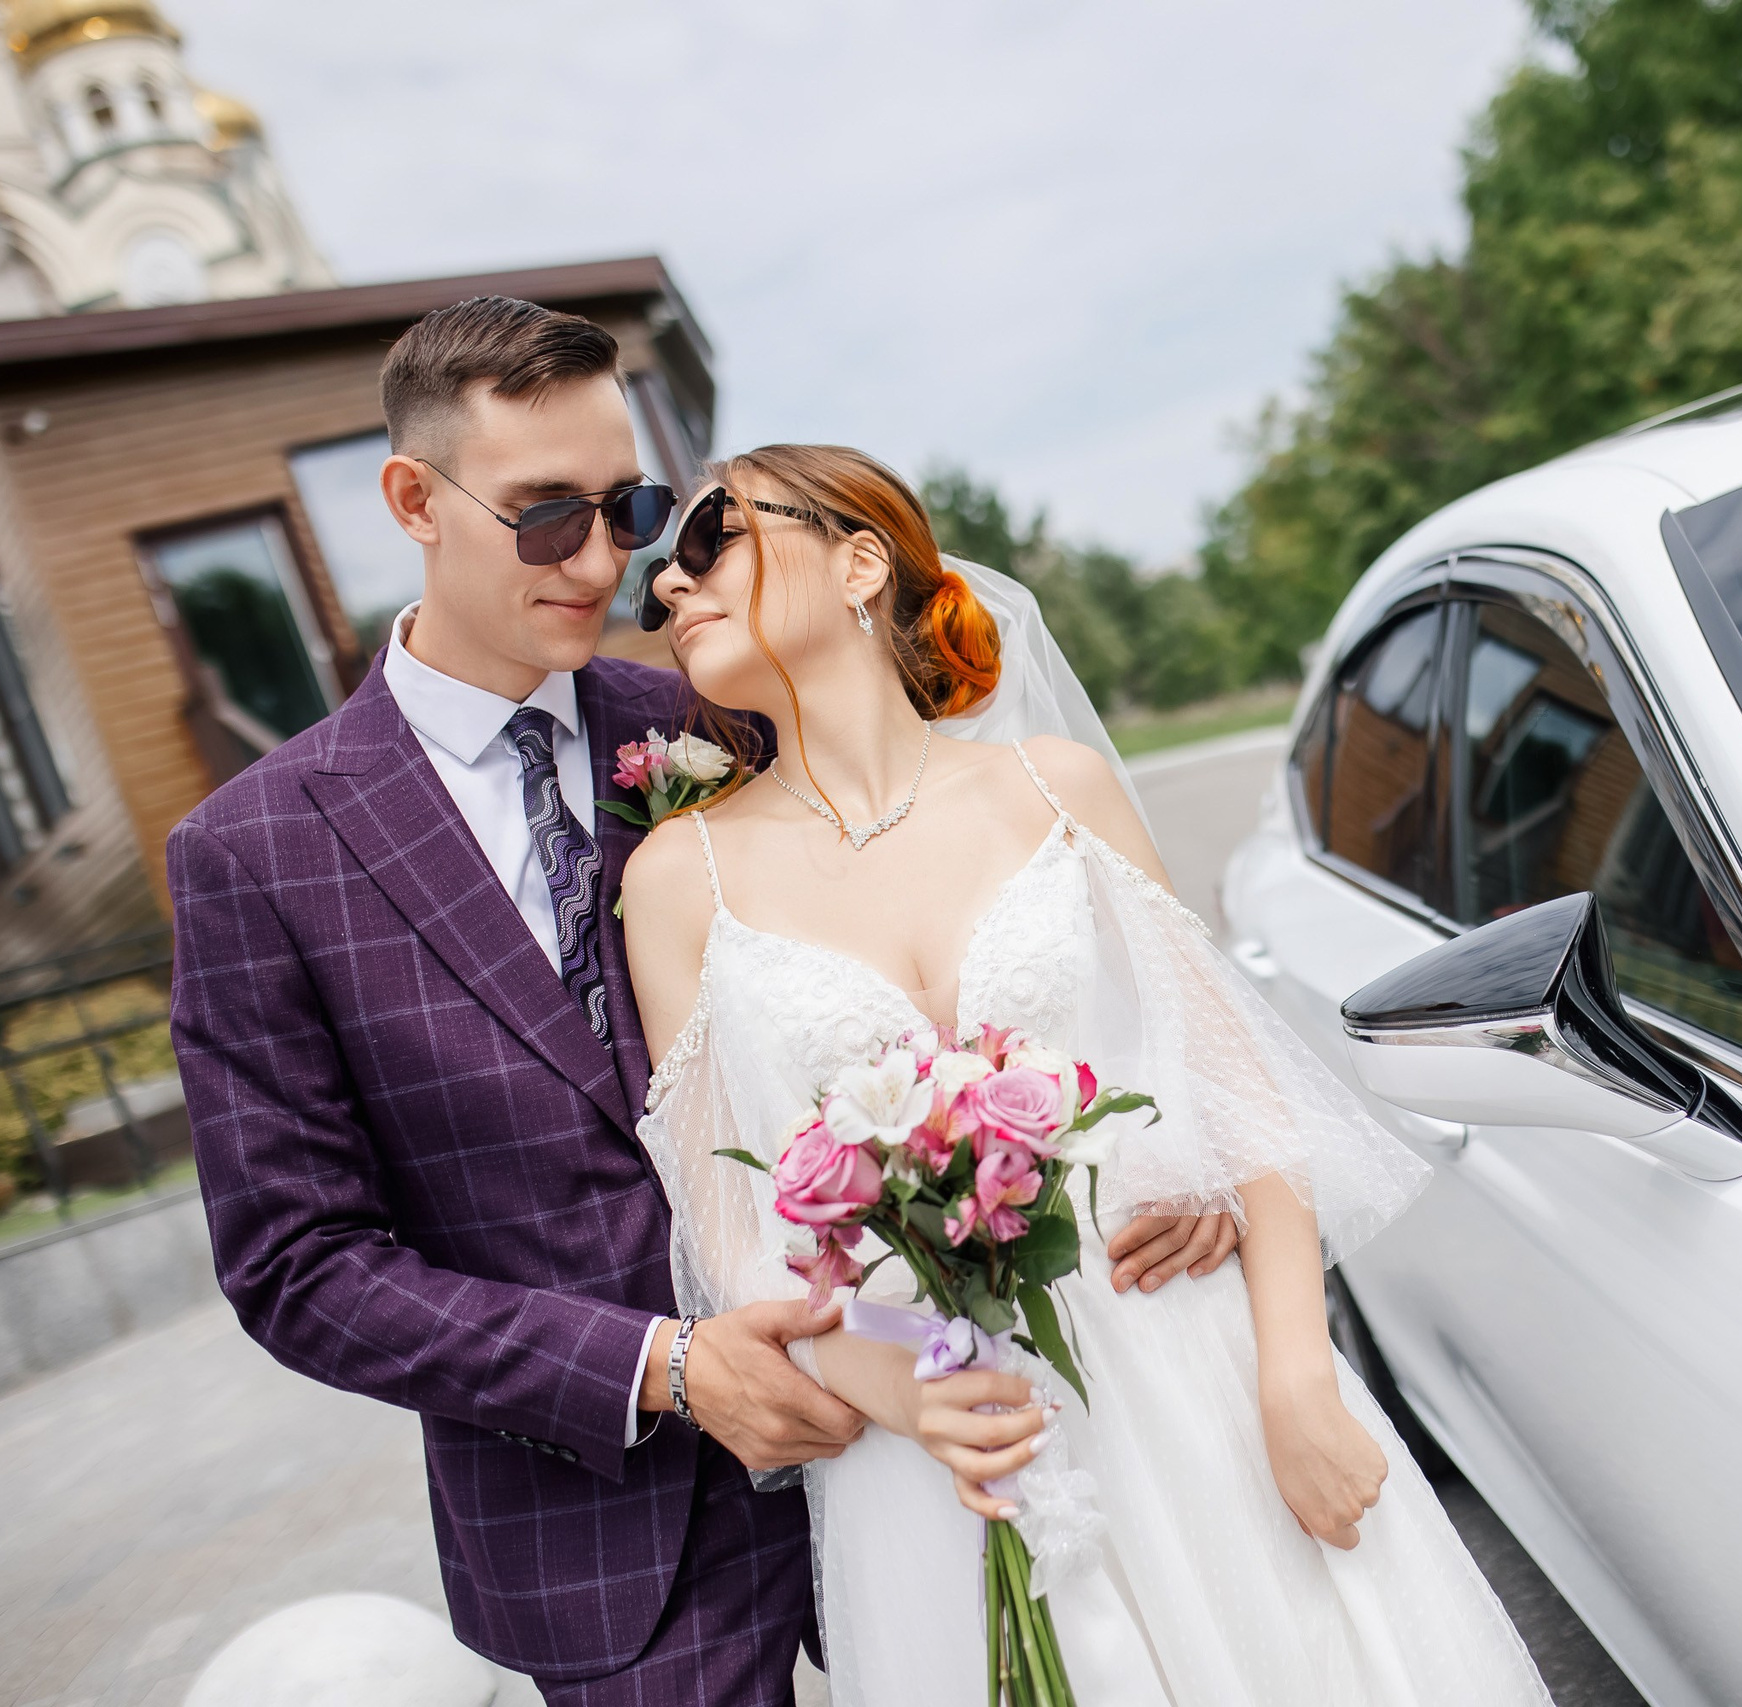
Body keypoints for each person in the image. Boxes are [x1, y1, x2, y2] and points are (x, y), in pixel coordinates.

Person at [167, 299, 1237, 1706]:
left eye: (634, 507)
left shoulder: (717, 718)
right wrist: (661, 1364)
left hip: (928, 1429)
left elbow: (961, 987)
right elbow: (299, 1264)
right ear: (413, 500)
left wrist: (1171, 1166)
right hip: (605, 1541)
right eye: (548, 514)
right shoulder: (258, 852)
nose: (608, 557)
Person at [623, 443, 1556, 1705]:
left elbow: (1242, 1092)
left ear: (856, 562)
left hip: (1191, 1375)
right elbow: (737, 1248)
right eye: (657, 583)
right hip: (943, 1448)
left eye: (705, 542)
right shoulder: (681, 880)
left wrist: (1294, 1379)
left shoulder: (1049, 789)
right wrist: (911, 1390)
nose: (669, 590)